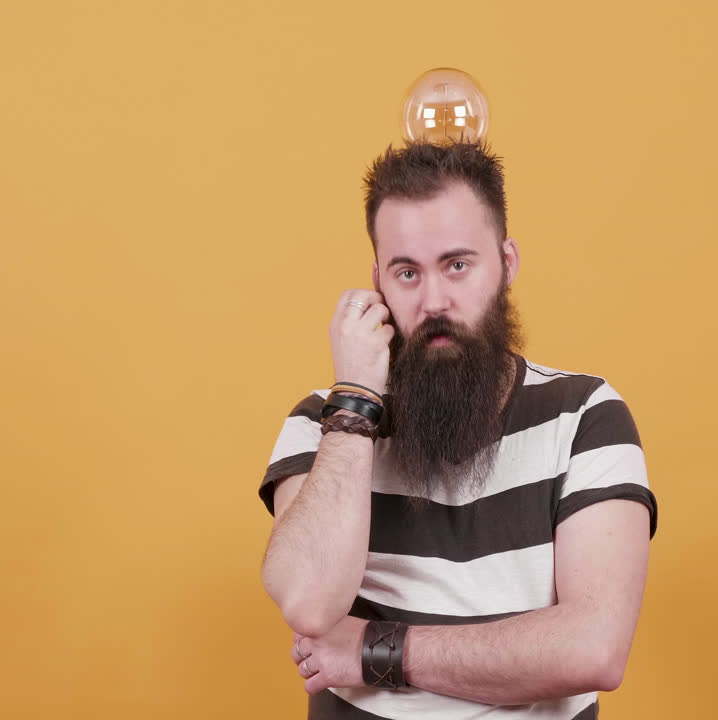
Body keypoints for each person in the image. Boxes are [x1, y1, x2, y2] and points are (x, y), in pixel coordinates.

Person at [258, 140, 657, 719]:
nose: (434, 300)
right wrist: (355, 401)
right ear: (378, 285)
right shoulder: (329, 420)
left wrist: (374, 649)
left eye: (458, 264)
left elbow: (593, 649)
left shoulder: (587, 416)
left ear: (507, 264)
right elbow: (308, 603)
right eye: (406, 272)